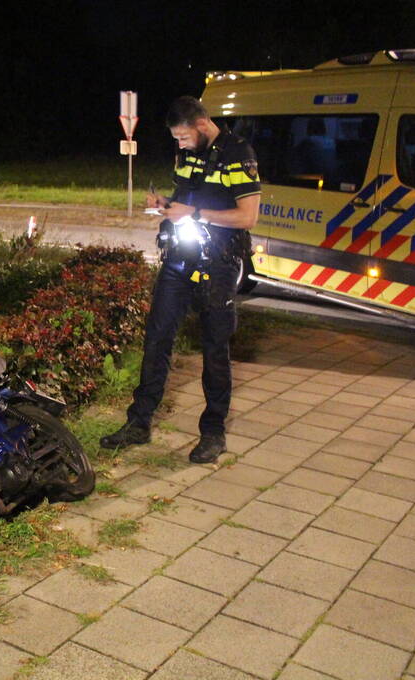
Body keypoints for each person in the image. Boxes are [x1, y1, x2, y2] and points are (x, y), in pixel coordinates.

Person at [100, 96, 261, 464]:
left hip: (218, 265)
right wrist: (167, 204)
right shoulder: (189, 155)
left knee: (215, 348)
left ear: (202, 126)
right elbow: (185, 197)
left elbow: (248, 217)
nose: (181, 144)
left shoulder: (238, 153)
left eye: (184, 137)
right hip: (178, 260)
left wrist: (196, 213)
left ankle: (213, 433)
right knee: (157, 338)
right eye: (177, 139)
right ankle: (139, 423)